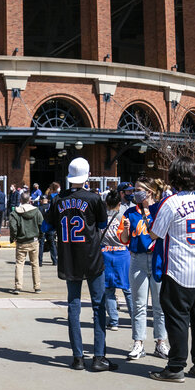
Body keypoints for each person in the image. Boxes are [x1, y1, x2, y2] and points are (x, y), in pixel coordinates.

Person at [146, 158, 195, 383]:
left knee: (177, 320)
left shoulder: (171, 202)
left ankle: (176, 366)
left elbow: (155, 234)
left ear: (176, 177)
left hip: (179, 270)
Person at [48, 157, 116, 372]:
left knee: (73, 307)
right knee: (98, 306)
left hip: (69, 259)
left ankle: (77, 357)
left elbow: (45, 226)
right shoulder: (94, 198)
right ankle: (98, 357)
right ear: (87, 176)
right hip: (93, 257)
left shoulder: (58, 200)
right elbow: (103, 223)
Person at [124, 187, 167, 360]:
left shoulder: (160, 210)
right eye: (135, 189)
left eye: (139, 189)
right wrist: (126, 228)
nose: (136, 193)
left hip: (157, 258)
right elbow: (125, 239)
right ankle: (138, 343)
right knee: (139, 305)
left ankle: (161, 342)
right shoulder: (130, 212)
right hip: (138, 259)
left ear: (149, 192)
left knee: (160, 305)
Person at [101, 189, 131, 329]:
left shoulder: (101, 219)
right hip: (122, 254)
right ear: (119, 204)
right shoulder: (123, 218)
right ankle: (135, 318)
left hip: (106, 254)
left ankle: (113, 321)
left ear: (106, 203)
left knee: (109, 290)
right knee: (128, 289)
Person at [9, 191, 43, 294]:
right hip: (34, 240)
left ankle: (18, 286)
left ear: (20, 200)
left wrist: (13, 238)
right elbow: (41, 224)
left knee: (19, 264)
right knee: (35, 264)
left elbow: (13, 227)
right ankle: (37, 287)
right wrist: (40, 236)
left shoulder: (15, 213)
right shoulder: (36, 211)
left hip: (21, 241)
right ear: (30, 200)